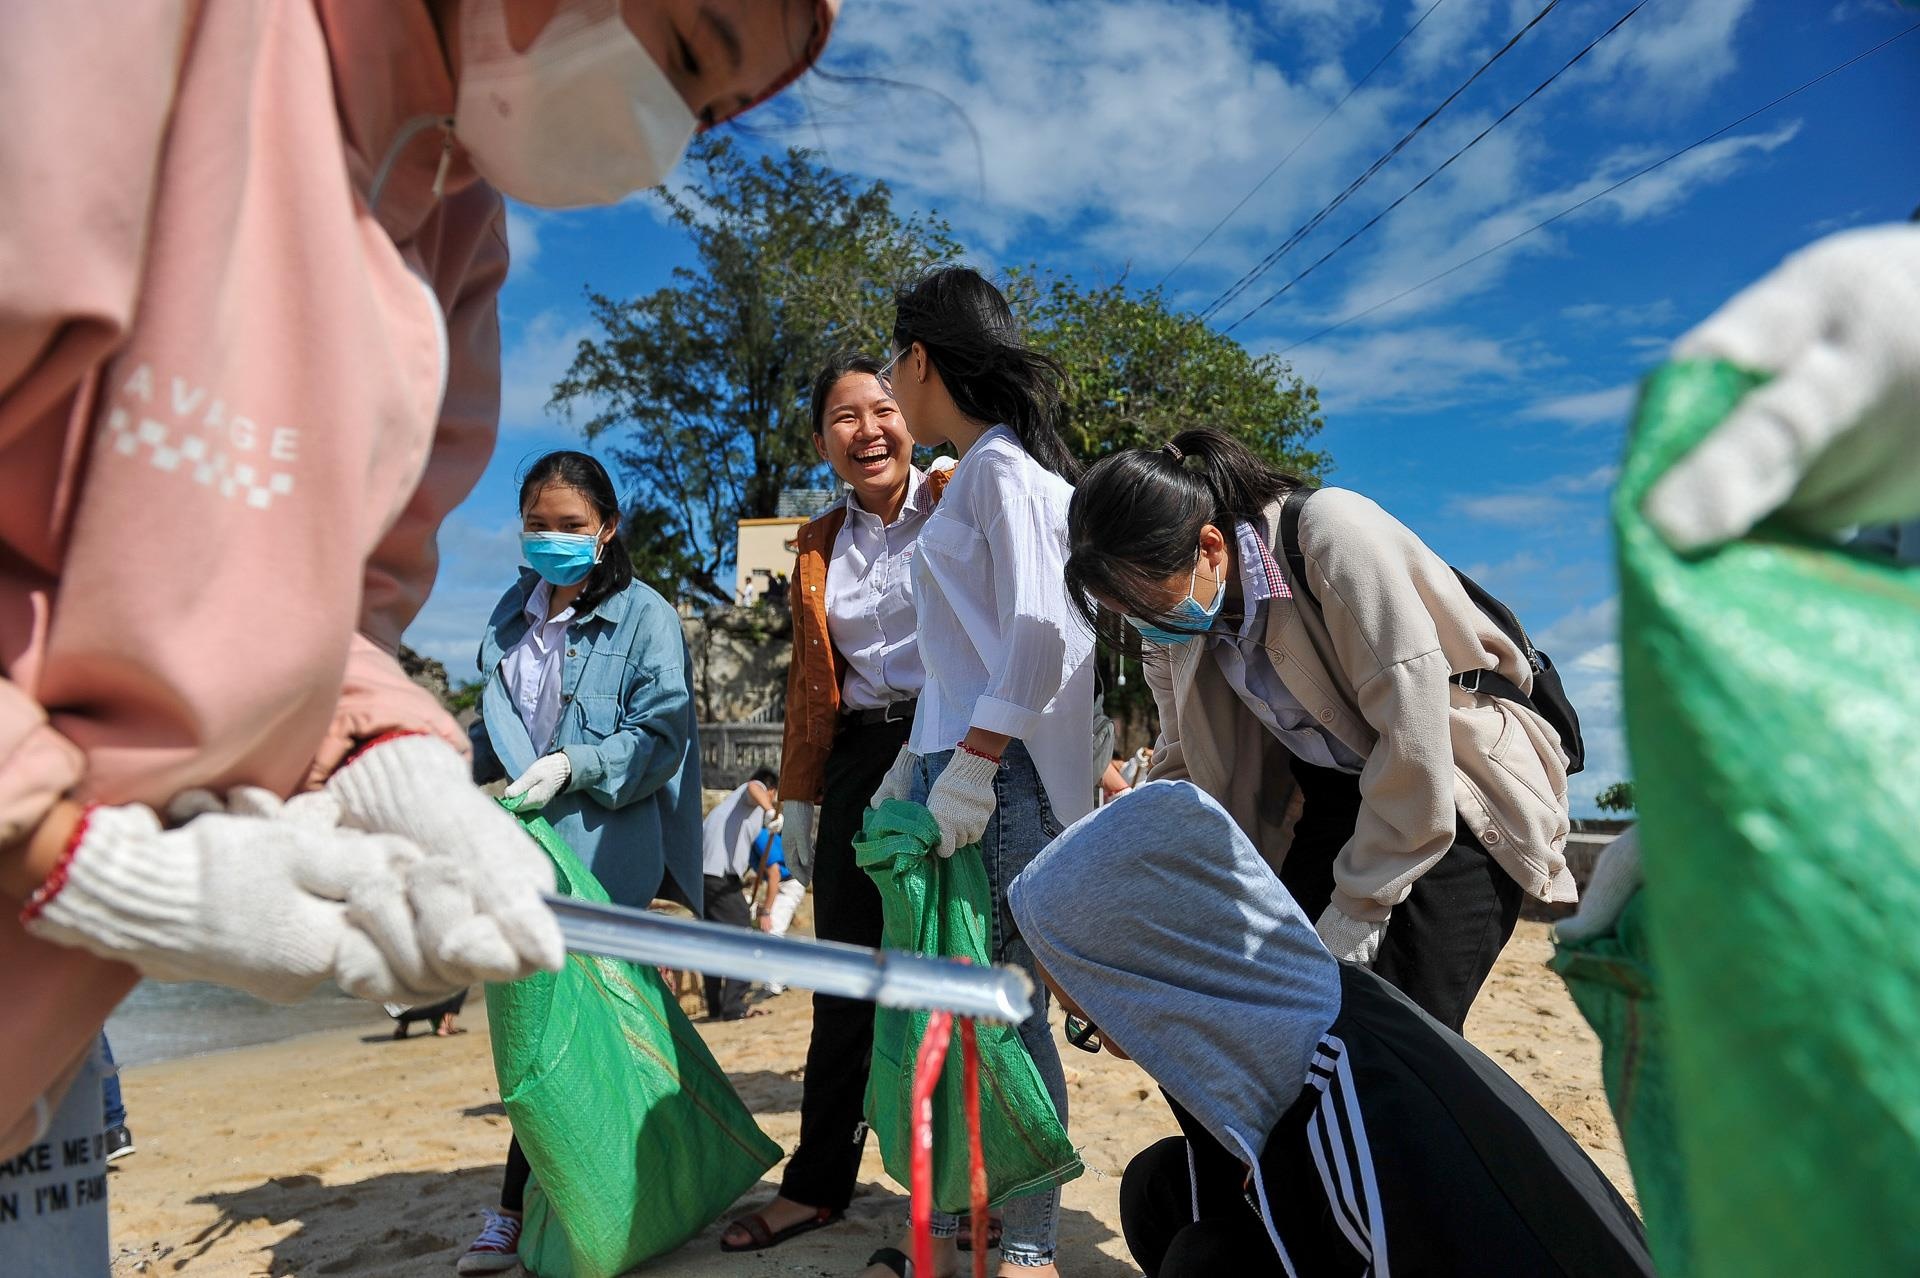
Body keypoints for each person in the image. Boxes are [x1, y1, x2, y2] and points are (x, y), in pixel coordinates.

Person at [0, 0, 840, 1186]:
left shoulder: (458, 236)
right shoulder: (150, 37)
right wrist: (74, 851)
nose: (665, 137)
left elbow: (334, 619)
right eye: (687, 54)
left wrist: (389, 757)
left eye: (704, 112)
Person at [1008, 782, 1655, 1278]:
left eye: (1092, 1020)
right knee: (1165, 1189)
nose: (1113, 1048)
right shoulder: (1315, 1010)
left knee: (1209, 1262)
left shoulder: (1355, 1108)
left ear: (1160, 987)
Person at [1063, 429, 1575, 1033]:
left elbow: (1413, 732)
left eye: (1150, 601)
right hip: (1338, 789)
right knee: (1286, 1019)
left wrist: (1357, 909)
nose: (1148, 625)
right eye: (1123, 611)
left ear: (1208, 548)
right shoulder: (1170, 622)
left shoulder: (1329, 537)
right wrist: (1156, 899)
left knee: (1400, 1033)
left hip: (1457, 780)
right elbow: (1185, 766)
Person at [859, 268, 1096, 1278]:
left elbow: (1043, 634)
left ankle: (1029, 1238)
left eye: (888, 361)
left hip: (996, 781)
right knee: (949, 1003)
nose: (883, 385)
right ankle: (968, 1214)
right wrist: (913, 767)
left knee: (1004, 1003)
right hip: (954, 768)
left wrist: (972, 765)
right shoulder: (990, 470)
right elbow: (972, 649)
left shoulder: (1003, 474)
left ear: (919, 359)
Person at [722, 353, 956, 1254]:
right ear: (822, 442)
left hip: (953, 750)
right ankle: (818, 1185)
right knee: (847, 981)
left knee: (948, 969)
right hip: (861, 760)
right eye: (844, 418)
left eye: (883, 408)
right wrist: (804, 796)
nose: (868, 429)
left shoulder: (956, 500)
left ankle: (960, 1188)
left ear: (914, 416)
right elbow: (812, 687)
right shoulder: (815, 545)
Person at [459, 448, 704, 1273]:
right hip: (523, 859)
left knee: (584, 1044)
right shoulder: (506, 617)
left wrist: (575, 765)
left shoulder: (647, 617)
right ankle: (553, 1204)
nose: (553, 539)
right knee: (535, 1040)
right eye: (538, 524)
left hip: (608, 861)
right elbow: (491, 732)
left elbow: (662, 737)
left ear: (607, 530)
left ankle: (516, 1211)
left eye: (571, 525)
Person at [699, 769, 780, 1022]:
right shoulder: (749, 797)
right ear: (771, 791)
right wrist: (769, 810)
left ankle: (716, 1007)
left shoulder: (734, 811)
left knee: (713, 940)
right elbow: (753, 786)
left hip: (706, 876)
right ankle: (733, 1007)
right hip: (716, 875)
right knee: (744, 935)